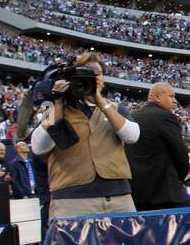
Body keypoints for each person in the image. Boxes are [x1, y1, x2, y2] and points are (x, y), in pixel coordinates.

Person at [30, 52, 140, 218]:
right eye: (85, 72)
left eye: (97, 73)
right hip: (72, 199)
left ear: (103, 79)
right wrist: (56, 103)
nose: (92, 77)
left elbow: (132, 136)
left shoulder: (116, 108)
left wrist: (101, 102)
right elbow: (39, 147)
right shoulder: (54, 108)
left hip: (118, 197)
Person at [127, 82, 190, 211]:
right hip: (163, 192)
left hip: (135, 193)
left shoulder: (131, 116)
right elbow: (180, 153)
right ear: (157, 97)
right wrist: (181, 178)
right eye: (171, 96)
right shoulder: (166, 117)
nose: (174, 101)